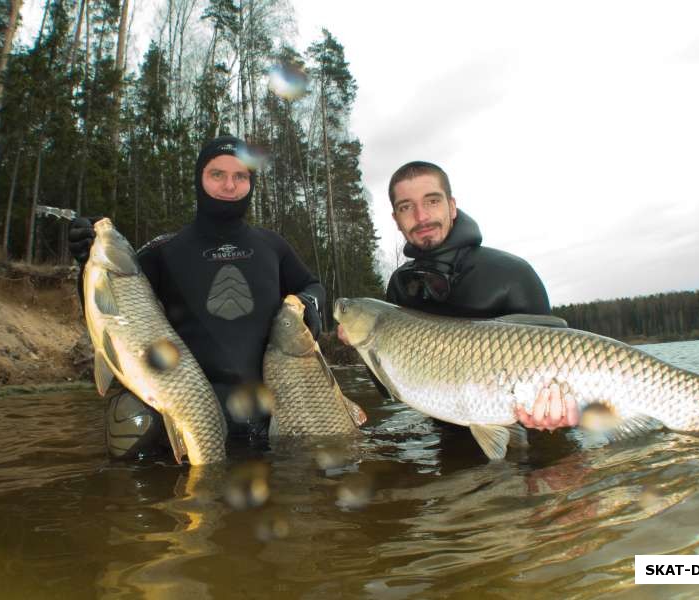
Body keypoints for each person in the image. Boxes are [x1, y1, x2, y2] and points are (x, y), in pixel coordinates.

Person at [69, 135, 324, 458]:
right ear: (199, 179)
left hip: (269, 419)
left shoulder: (272, 246)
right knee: (129, 419)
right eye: (217, 174)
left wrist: (310, 305)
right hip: (186, 408)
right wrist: (86, 262)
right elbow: (113, 311)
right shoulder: (165, 251)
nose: (229, 185)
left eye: (240, 176)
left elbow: (312, 286)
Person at [339, 160, 578, 432]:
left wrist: (558, 418)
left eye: (432, 201)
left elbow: (559, 365)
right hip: (449, 438)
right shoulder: (401, 286)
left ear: (452, 207)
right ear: (396, 219)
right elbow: (393, 391)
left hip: (534, 432)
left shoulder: (513, 274)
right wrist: (363, 347)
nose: (421, 216)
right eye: (406, 207)